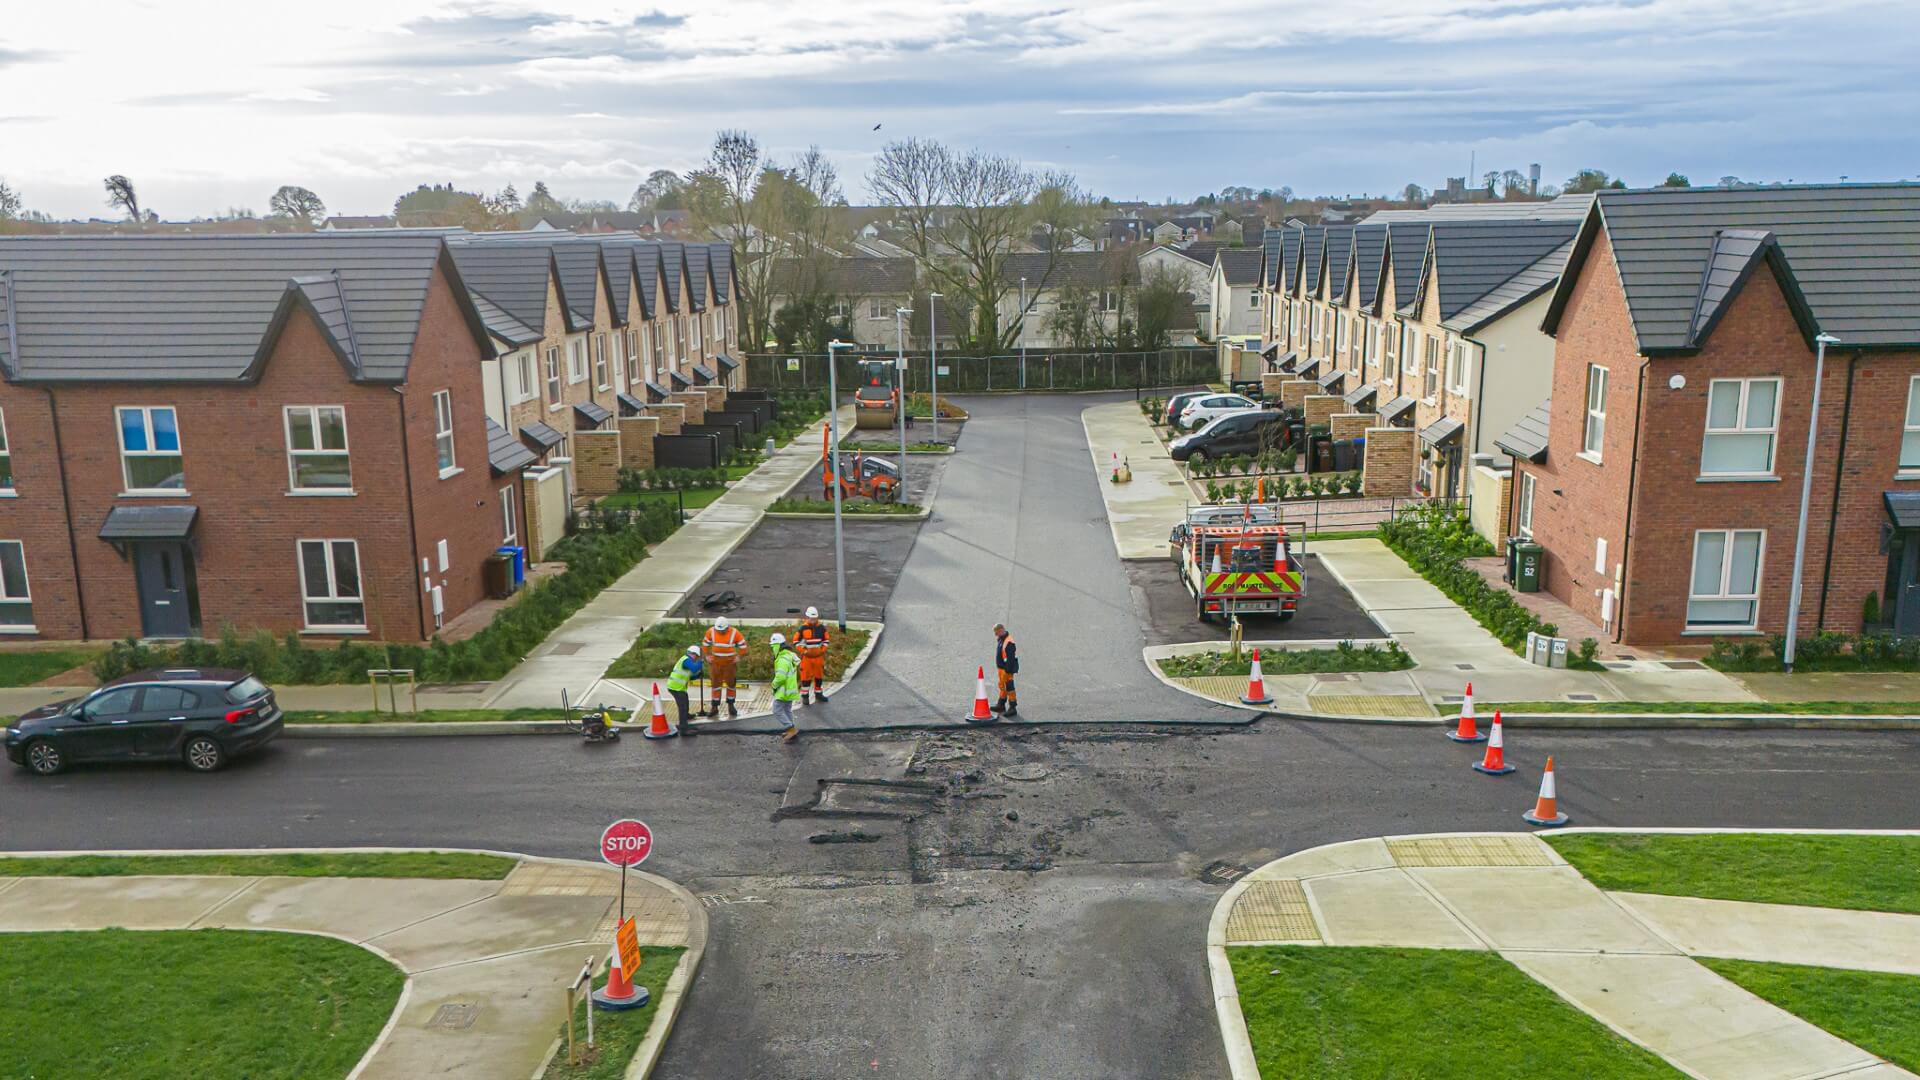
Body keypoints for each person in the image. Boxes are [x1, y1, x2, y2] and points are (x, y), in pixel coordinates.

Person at [702, 616, 747, 718]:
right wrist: (707, 656)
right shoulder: (711, 632)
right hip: (716, 663)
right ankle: (714, 707)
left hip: (729, 663)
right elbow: (705, 644)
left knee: (731, 684)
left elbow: (743, 646)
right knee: (715, 685)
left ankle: (731, 706)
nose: (721, 632)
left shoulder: (735, 633)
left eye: (723, 631)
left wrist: (739, 656)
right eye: (719, 630)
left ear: (727, 628)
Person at [769, 632, 801, 743]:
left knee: (777, 710)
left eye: (773, 646)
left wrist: (773, 684)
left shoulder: (782, 659)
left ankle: (790, 728)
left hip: (784, 691)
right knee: (787, 709)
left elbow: (781, 677)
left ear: (777, 646)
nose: (772, 649)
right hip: (790, 689)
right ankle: (792, 729)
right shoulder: (789, 655)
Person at [665, 645, 703, 734]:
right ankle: (683, 729)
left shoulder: (686, 660)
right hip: (675, 688)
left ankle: (687, 716)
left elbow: (687, 676)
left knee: (685, 700)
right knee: (682, 707)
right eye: (696, 657)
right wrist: (701, 662)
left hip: (678, 687)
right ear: (693, 654)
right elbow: (694, 669)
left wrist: (697, 676)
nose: (696, 659)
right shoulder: (686, 660)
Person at [796, 606, 831, 704]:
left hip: (818, 657)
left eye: (814, 618)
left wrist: (822, 650)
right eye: (811, 619)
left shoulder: (821, 628)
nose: (813, 620)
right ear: (807, 618)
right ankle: (805, 696)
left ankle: (818, 694)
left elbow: (826, 640)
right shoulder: (802, 629)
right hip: (807, 658)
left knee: (819, 677)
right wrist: (804, 651)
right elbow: (796, 641)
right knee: (805, 678)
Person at [992, 623, 1019, 718]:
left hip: (1006, 669)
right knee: (1002, 686)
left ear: (1001, 630)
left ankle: (1012, 707)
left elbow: (1011, 658)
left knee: (1009, 688)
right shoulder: (1002, 639)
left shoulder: (1009, 642)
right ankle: (1001, 704)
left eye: (997, 633)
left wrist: (1008, 670)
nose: (996, 635)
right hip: (1001, 668)